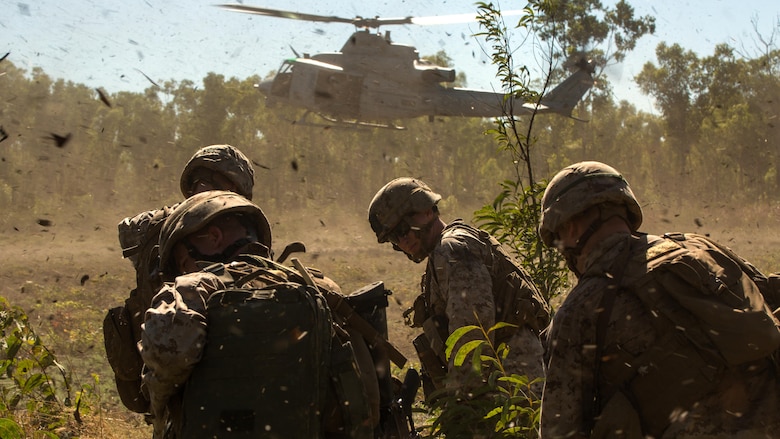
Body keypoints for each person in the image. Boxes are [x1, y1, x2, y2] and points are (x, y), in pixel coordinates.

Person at [538, 161, 780, 438]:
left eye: (557, 239)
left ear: (569, 227)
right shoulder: (700, 249)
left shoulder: (580, 309)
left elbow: (561, 430)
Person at [140, 190, 374, 438]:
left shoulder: (193, 288)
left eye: (183, 262)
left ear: (214, 236)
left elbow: (166, 357)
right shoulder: (321, 288)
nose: (183, 271)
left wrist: (160, 413)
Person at [104, 144, 256, 413]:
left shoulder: (243, 231)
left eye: (214, 185)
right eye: (202, 183)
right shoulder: (158, 227)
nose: (205, 190)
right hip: (164, 354)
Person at [367, 177, 550, 398]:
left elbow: (471, 334)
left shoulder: (451, 250)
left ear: (427, 210)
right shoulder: (443, 254)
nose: (403, 240)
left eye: (404, 228)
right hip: (505, 381)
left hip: (507, 386)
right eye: (394, 238)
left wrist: (465, 399)